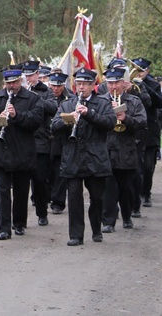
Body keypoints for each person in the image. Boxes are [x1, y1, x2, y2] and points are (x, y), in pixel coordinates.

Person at [51, 67, 116, 246]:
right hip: (73, 157)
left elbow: (110, 123)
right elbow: (54, 126)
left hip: (95, 157)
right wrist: (69, 119)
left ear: (93, 85)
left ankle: (96, 229)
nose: (81, 88)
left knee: (97, 197)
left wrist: (89, 114)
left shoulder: (102, 103)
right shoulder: (67, 104)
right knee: (73, 198)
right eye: (78, 84)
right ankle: (76, 235)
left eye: (85, 84)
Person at [0, 64, 43, 240]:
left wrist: (17, 116)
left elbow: (36, 120)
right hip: (1, 151)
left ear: (20, 81)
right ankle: (4, 228)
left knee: (21, 190)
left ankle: (19, 223)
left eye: (15, 83)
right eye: (8, 83)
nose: (11, 86)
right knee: (2, 191)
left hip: (23, 151)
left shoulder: (32, 98)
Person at [101, 67, 147, 233]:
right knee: (108, 188)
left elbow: (142, 123)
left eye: (116, 83)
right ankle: (108, 221)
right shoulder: (100, 101)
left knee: (127, 188)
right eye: (110, 83)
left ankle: (127, 216)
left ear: (123, 83)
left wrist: (125, 118)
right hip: (106, 150)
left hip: (127, 150)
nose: (114, 87)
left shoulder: (134, 101)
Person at [22, 59, 57, 227]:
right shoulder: (18, 90)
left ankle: (42, 212)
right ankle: (20, 219)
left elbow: (53, 108)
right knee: (21, 182)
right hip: (21, 141)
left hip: (40, 140)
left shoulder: (46, 91)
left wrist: (34, 98)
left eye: (31, 75)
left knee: (40, 180)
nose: (29, 78)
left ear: (38, 75)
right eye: (26, 75)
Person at [130, 57, 162, 207]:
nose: (139, 73)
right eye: (136, 69)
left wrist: (144, 86)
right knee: (136, 165)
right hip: (134, 128)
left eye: (142, 70)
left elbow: (159, 103)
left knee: (148, 165)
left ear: (147, 71)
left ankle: (146, 193)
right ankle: (135, 193)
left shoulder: (153, 85)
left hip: (150, 129)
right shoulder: (127, 84)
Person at [47, 71, 74, 214]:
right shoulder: (44, 96)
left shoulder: (71, 98)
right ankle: (46, 196)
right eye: (53, 85)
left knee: (59, 172)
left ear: (63, 85)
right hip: (45, 138)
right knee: (46, 172)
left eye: (59, 86)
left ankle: (58, 202)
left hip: (60, 140)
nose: (55, 88)